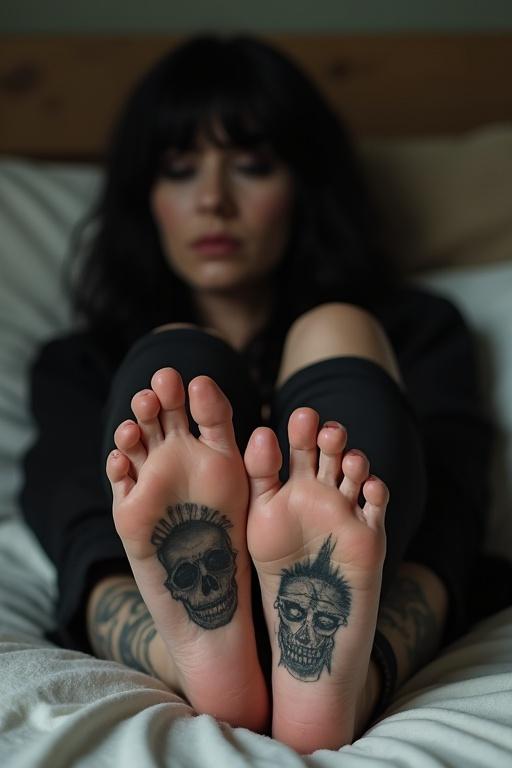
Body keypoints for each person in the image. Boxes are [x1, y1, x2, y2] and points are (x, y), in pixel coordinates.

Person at [20, 34, 492, 755]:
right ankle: (213, 663)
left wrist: (373, 652)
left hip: (363, 592)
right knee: (172, 363)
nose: (213, 199)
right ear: (144, 198)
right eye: (179, 170)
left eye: (252, 166)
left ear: (303, 185)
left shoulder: (415, 330)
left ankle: (329, 677)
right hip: (199, 620)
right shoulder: (81, 364)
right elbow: (82, 535)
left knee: (338, 329)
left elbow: (452, 521)